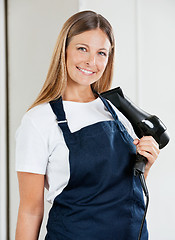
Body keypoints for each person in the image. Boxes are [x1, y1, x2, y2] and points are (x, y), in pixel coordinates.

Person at [15, 10, 160, 240]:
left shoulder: (117, 113)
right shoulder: (38, 121)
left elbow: (119, 192)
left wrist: (145, 166)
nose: (91, 61)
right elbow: (30, 211)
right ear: (64, 50)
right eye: (82, 48)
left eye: (101, 53)